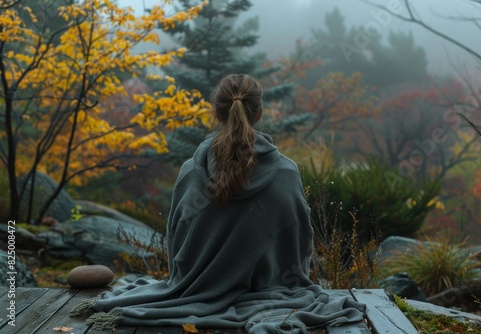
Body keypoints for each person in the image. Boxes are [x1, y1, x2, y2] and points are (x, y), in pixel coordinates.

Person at [71, 74, 365, 333]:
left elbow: (177, 240)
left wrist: (192, 280)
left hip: (193, 289)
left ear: (217, 113)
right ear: (259, 112)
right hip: (273, 291)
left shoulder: (191, 170)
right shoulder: (286, 173)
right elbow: (299, 243)